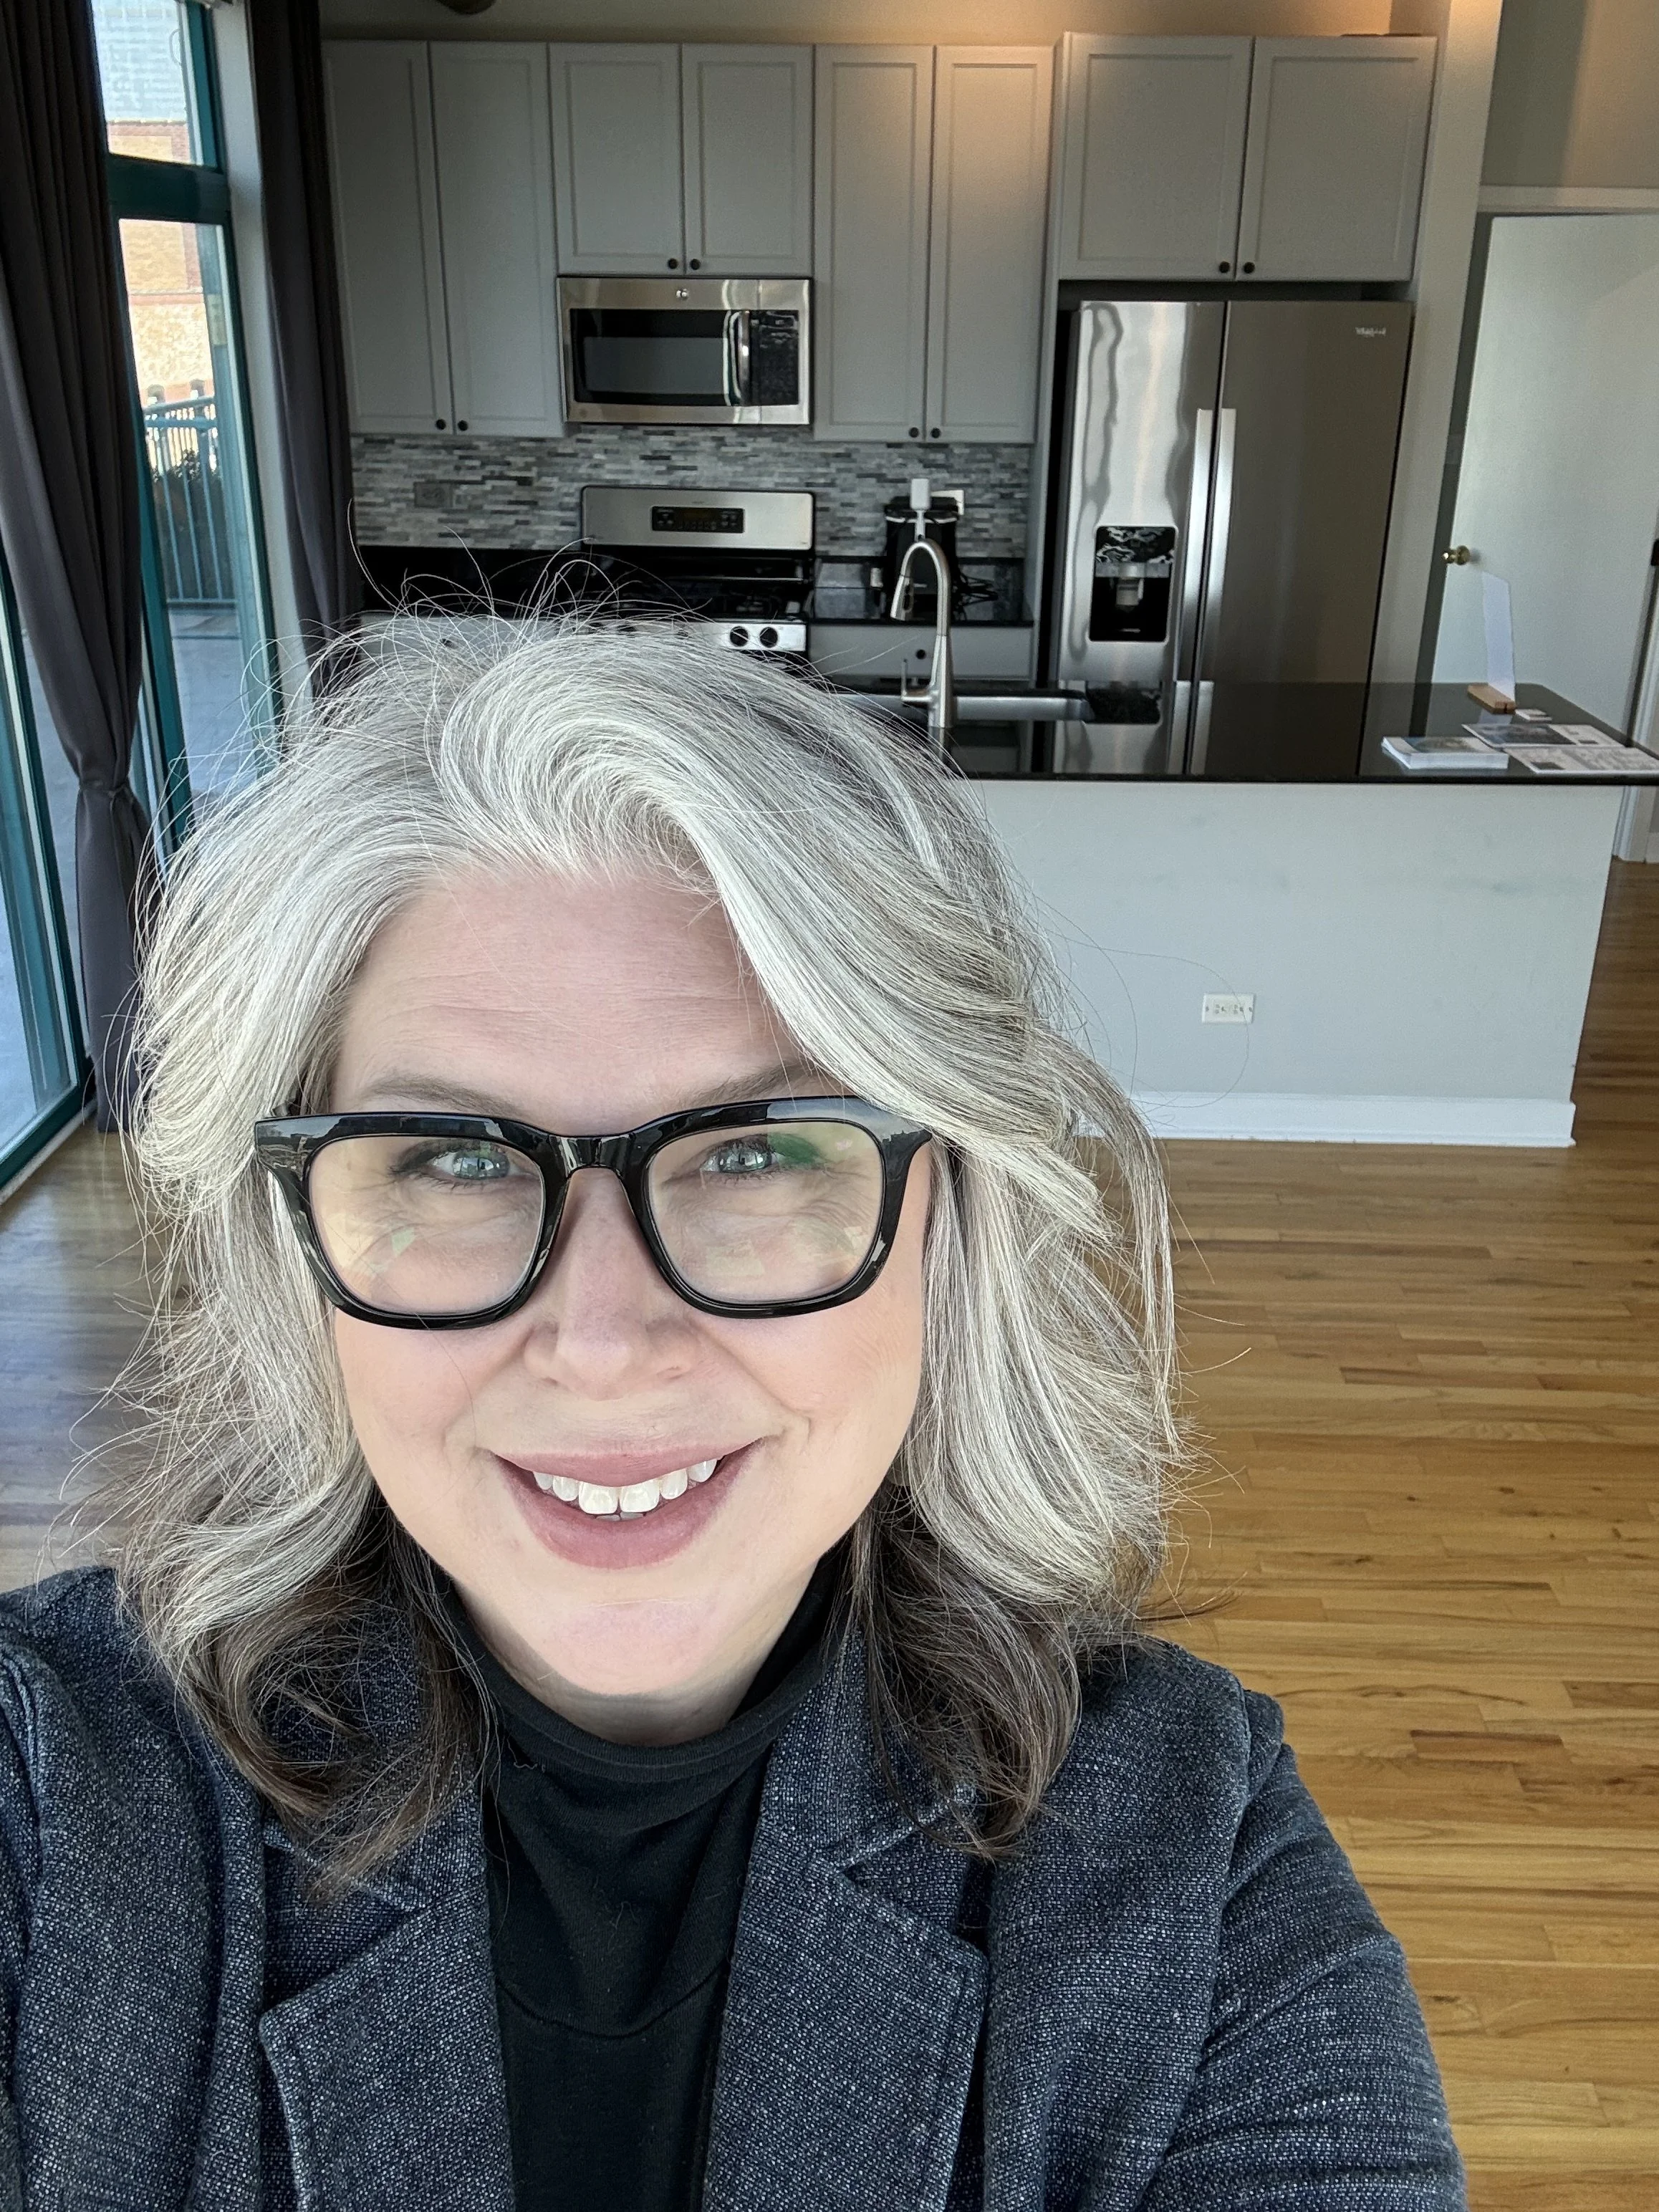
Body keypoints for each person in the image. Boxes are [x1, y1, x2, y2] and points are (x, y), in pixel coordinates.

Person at [0, 621, 1465, 2209]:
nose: (608, 1340)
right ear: (300, 1246)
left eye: (762, 1151)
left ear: (948, 1216)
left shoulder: (1193, 1860)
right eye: (457, 1159)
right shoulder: (55, 1804)